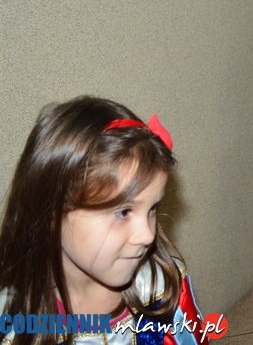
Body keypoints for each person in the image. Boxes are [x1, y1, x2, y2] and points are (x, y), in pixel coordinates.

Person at [0, 96, 207, 345]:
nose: (147, 235)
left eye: (153, 208)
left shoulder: (161, 287)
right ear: (51, 214)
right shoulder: (16, 325)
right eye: (123, 212)